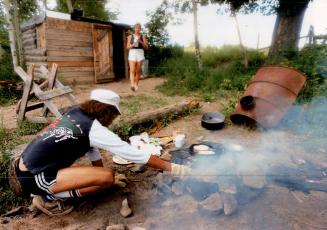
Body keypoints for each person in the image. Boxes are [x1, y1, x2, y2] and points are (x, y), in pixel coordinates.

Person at [14, 89, 190, 216]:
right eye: (114, 115)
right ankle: (48, 198)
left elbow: (91, 149)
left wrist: (100, 174)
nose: (113, 120)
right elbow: (133, 154)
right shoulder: (93, 128)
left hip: (27, 166)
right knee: (106, 178)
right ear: (107, 111)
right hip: (36, 177)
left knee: (105, 177)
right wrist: (174, 168)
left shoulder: (76, 113)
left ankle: (50, 191)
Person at [127, 23, 148, 92]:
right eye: (136, 28)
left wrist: (141, 42)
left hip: (140, 53)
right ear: (134, 29)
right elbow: (127, 47)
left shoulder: (143, 36)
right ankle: (132, 85)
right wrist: (132, 45)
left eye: (139, 28)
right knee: (132, 70)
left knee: (138, 70)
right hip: (132, 53)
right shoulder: (130, 36)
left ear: (140, 29)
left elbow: (146, 47)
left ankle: (136, 85)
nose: (137, 29)